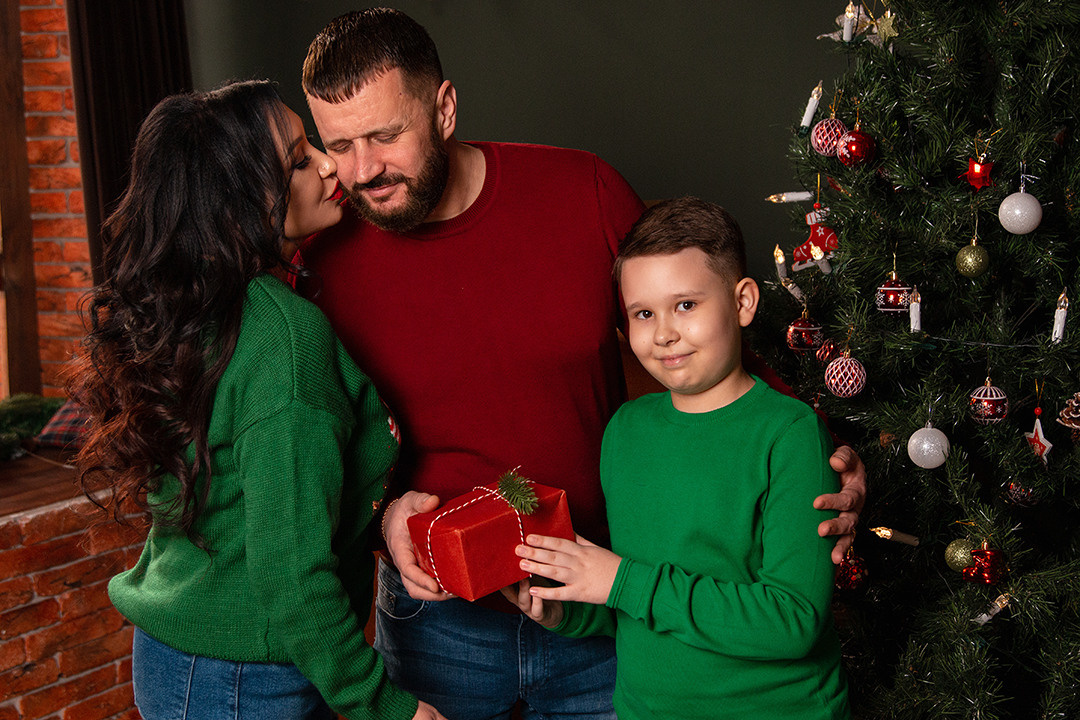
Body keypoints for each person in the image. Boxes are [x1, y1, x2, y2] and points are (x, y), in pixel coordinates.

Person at [298, 8, 864, 719]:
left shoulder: (581, 191)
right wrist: (381, 520)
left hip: (606, 598)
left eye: (385, 136)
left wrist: (827, 451)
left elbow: (703, 325)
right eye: (338, 145)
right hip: (440, 625)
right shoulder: (320, 262)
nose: (363, 171)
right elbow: (311, 453)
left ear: (443, 108)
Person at [69, 80, 446, 720]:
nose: (331, 165)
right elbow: (289, 578)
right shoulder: (284, 336)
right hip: (245, 679)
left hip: (177, 657)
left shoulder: (206, 307)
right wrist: (386, 707)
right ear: (242, 199)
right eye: (300, 161)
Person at [504, 197, 851, 719]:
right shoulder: (625, 431)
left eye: (685, 305)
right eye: (643, 313)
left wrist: (620, 581)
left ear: (743, 302)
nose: (663, 332)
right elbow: (637, 602)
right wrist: (565, 611)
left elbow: (794, 621)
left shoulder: (790, 434)